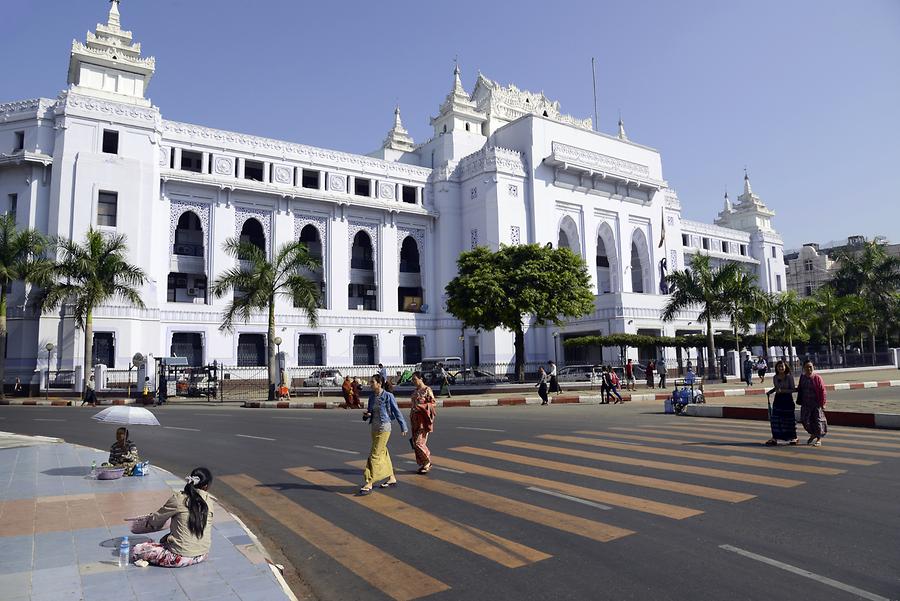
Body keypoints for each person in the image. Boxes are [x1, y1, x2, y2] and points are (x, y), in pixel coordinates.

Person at [131, 468, 213, 568]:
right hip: (203, 554)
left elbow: (155, 521)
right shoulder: (209, 501)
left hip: (180, 558)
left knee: (137, 549)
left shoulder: (179, 498)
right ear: (206, 487)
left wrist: (150, 520)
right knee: (166, 539)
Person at [359, 374, 408, 495]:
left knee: (374, 454)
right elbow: (371, 412)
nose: (370, 384)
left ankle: (369, 482)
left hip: (384, 427)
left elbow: (396, 411)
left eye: (372, 382)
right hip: (374, 428)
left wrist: (403, 426)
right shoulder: (372, 397)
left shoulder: (388, 396)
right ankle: (392, 477)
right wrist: (367, 415)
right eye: (371, 382)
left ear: (379, 383)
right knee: (383, 452)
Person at [765, 360, 798, 446]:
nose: (781, 368)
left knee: (789, 419)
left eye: (782, 366)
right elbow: (776, 388)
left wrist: (783, 390)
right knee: (776, 420)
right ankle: (775, 438)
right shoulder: (775, 377)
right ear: (776, 368)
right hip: (778, 400)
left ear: (785, 367)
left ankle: (793, 438)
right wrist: (770, 392)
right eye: (779, 366)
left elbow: (793, 389)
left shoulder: (789, 377)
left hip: (787, 400)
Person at [409, 372, 436, 473]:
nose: (413, 381)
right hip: (414, 420)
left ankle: (428, 461)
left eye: (415, 379)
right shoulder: (415, 391)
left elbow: (433, 404)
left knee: (419, 443)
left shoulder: (427, 390)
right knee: (415, 444)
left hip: (423, 420)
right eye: (412, 379)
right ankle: (424, 464)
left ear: (421, 379)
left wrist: (421, 407)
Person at [797, 360, 827, 446]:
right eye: (806, 367)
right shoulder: (802, 377)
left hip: (816, 403)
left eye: (810, 367)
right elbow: (800, 388)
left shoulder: (817, 378)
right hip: (805, 403)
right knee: (805, 420)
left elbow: (823, 391)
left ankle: (819, 438)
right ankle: (813, 433)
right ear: (803, 368)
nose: (808, 368)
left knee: (817, 421)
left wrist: (823, 403)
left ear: (813, 367)